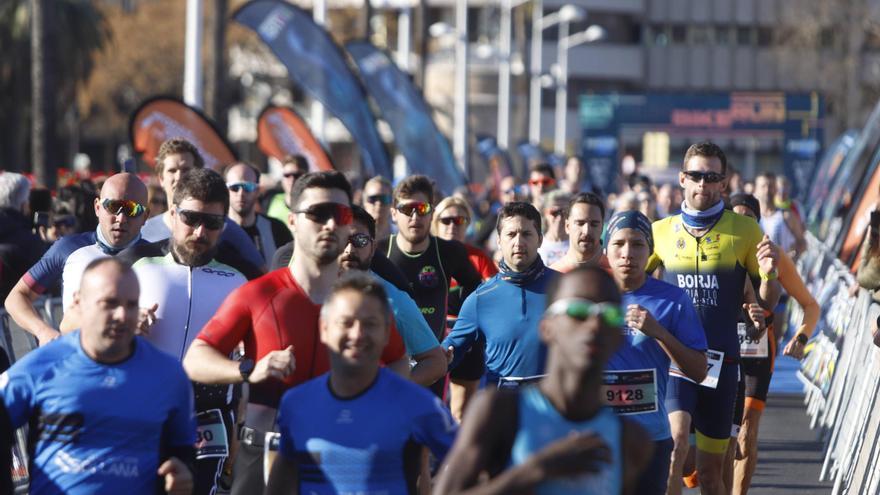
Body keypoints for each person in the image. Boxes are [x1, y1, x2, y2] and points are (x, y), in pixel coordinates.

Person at [182, 171, 408, 494]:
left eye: (340, 215)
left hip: (340, 461)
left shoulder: (364, 302)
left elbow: (400, 362)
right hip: (262, 458)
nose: (330, 225)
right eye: (317, 214)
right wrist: (249, 370)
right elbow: (196, 359)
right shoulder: (257, 294)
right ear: (292, 220)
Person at [433, 265, 652, 494]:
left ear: (619, 336)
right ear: (547, 327)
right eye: (578, 311)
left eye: (609, 314)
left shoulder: (631, 440)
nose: (594, 324)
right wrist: (535, 470)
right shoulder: (499, 410)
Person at [648, 142, 781, 495]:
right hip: (675, 361)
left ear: (724, 183)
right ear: (682, 179)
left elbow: (767, 303)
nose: (702, 185)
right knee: (676, 452)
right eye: (695, 176)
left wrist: (769, 275)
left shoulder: (746, 231)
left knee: (709, 475)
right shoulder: (660, 231)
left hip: (721, 364)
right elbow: (630, 285)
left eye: (711, 177)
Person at [0, 258, 195, 494]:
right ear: (78, 303)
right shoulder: (41, 367)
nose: (122, 315)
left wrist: (183, 472)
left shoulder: (169, 374)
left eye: (132, 304)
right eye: (110, 303)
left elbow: (183, 451)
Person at [265, 272, 458, 494]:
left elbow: (476, 466)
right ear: (324, 329)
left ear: (387, 333)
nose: (357, 334)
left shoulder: (417, 405)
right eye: (346, 323)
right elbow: (283, 479)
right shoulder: (296, 403)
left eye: (370, 324)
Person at [119, 168, 248, 494]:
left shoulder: (239, 278)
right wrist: (122, 324)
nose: (200, 231)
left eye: (213, 222)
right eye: (191, 218)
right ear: (172, 214)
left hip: (211, 411)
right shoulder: (137, 262)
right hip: (143, 404)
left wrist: (240, 429)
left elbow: (254, 361)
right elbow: (74, 322)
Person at [604, 210, 709, 494]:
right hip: (598, 436)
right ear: (606, 249)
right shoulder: (589, 294)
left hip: (650, 438)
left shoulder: (673, 299)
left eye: (638, 244)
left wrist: (659, 332)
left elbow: (700, 371)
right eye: (619, 243)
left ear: (650, 250)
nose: (628, 253)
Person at [728, 193, 820, 495]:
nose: (742, 225)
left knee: (747, 433)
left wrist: (801, 336)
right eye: (735, 218)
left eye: (749, 220)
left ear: (758, 224)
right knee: (715, 443)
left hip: (757, 352)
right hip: (720, 353)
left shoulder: (774, 254)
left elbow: (810, 305)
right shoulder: (714, 252)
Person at [5, 173, 149, 346]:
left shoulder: (159, 257)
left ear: (145, 216)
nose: (121, 218)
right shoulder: (68, 248)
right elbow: (17, 297)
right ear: (97, 207)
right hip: (77, 363)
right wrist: (43, 331)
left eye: (132, 210)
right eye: (113, 206)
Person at [385, 175, 482, 395]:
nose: (414, 216)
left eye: (422, 208)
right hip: (391, 362)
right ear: (393, 213)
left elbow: (477, 293)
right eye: (406, 209)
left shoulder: (449, 252)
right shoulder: (380, 252)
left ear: (432, 212)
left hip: (432, 361)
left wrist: (454, 339)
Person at [443, 202, 558, 387]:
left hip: (552, 410)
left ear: (540, 239)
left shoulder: (564, 287)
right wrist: (441, 357)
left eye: (526, 234)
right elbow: (451, 350)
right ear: (498, 241)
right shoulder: (481, 298)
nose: (518, 242)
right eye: (511, 234)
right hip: (502, 410)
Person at [340, 204, 447, 386]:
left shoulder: (392, 298)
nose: (350, 250)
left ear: (373, 247)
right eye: (343, 239)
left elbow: (435, 361)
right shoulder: (311, 288)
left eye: (360, 240)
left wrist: (392, 392)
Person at [140, 137, 266, 272]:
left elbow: (261, 272)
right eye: (172, 170)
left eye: (186, 169)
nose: (179, 176)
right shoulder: (144, 232)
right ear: (161, 179)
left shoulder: (227, 229)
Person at [431, 196, 498, 420]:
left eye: (459, 221)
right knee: (431, 410)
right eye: (446, 220)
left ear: (467, 224)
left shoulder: (478, 257)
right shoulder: (427, 254)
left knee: (461, 413)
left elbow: (495, 295)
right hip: (430, 336)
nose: (452, 226)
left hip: (467, 335)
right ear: (435, 222)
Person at [224, 162, 292, 264]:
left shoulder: (277, 229)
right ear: (226, 190)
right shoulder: (214, 227)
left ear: (257, 191)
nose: (241, 193)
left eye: (248, 187)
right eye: (235, 187)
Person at [550, 192, 608, 273]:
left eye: (594, 224)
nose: (587, 231)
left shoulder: (617, 274)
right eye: (580, 223)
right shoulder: (553, 275)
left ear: (602, 227)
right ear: (567, 226)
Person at [754, 172, 805, 258]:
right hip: (757, 270)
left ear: (776, 189)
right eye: (763, 186)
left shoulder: (787, 216)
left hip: (782, 270)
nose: (767, 190)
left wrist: (793, 258)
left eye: (770, 186)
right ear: (756, 190)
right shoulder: (751, 218)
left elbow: (802, 243)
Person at [264, 154, 309, 225]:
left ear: (306, 176)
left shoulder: (313, 204)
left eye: (296, 175)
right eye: (287, 175)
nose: (292, 180)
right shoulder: (270, 200)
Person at [537, 191, 570, 267]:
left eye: (565, 212)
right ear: (545, 213)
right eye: (554, 212)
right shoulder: (536, 245)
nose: (559, 217)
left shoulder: (577, 245)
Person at [362, 175, 394, 247]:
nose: (378, 204)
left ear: (392, 203)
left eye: (384, 199)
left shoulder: (401, 238)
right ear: (364, 203)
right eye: (372, 199)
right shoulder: (355, 237)